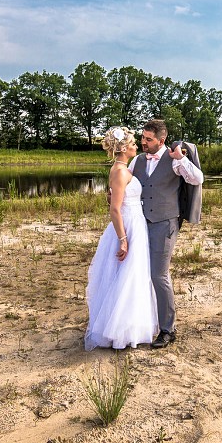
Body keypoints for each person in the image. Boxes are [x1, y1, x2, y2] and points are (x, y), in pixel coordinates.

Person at [130, 118, 203, 349]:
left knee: (158, 275)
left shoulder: (173, 161)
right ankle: (144, 321)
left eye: (148, 139)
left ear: (161, 140)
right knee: (139, 273)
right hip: (141, 224)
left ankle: (168, 330)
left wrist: (181, 158)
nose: (143, 142)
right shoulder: (137, 161)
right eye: (142, 138)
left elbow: (197, 179)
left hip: (165, 224)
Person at [84, 126, 159, 351]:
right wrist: (123, 239)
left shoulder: (124, 169)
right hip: (127, 226)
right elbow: (115, 209)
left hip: (136, 222)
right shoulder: (119, 171)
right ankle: (119, 331)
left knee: (133, 276)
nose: (137, 146)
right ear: (124, 148)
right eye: (134, 143)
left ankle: (130, 327)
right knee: (126, 277)